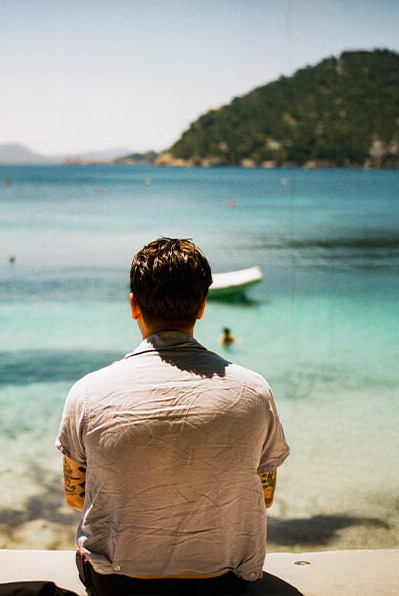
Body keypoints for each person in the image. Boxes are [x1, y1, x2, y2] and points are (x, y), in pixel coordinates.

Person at [57, 238, 289, 596]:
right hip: (224, 586)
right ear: (202, 308)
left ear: (134, 305)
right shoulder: (254, 392)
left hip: (116, 585)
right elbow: (266, 496)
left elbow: (76, 498)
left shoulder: (88, 392)